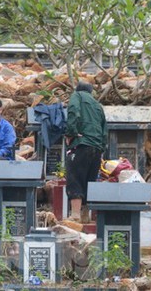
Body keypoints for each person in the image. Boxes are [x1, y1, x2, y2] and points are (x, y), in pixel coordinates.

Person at [65, 82, 107, 222]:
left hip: (81, 145)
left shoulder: (77, 96)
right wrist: (101, 147)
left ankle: (75, 215)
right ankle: (85, 216)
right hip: (96, 147)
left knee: (75, 178)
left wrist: (71, 133)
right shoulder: (97, 105)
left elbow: (73, 112)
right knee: (90, 180)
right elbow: (104, 129)